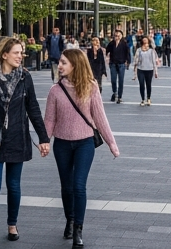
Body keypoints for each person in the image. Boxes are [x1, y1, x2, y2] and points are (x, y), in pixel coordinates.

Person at [0, 37, 50, 247]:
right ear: (4, 54)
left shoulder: (25, 78)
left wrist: (43, 138)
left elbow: (33, 110)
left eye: (21, 53)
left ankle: (12, 224)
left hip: (17, 138)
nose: (21, 56)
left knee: (13, 186)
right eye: (16, 53)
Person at [45, 48, 119, 248]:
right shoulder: (55, 90)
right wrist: (44, 141)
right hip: (62, 144)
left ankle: (78, 228)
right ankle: (69, 219)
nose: (59, 66)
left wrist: (111, 143)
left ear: (75, 65)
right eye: (60, 62)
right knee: (66, 187)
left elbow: (99, 117)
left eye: (63, 63)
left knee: (79, 186)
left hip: (85, 143)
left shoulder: (91, 87)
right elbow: (50, 119)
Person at [131, 36, 158, 107]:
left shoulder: (151, 51)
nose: (145, 41)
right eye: (144, 40)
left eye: (146, 40)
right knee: (141, 84)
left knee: (148, 84)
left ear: (148, 42)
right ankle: (143, 99)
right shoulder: (139, 50)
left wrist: (156, 71)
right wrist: (135, 66)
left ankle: (148, 98)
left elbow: (154, 61)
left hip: (149, 69)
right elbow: (135, 59)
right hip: (141, 69)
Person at [104, 30, 130, 104]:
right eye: (115, 35)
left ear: (121, 36)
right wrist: (106, 56)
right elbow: (106, 50)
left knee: (121, 80)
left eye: (118, 35)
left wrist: (128, 62)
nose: (117, 37)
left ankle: (120, 96)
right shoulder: (111, 43)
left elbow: (127, 53)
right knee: (113, 80)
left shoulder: (124, 44)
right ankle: (114, 92)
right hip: (113, 64)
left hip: (121, 64)